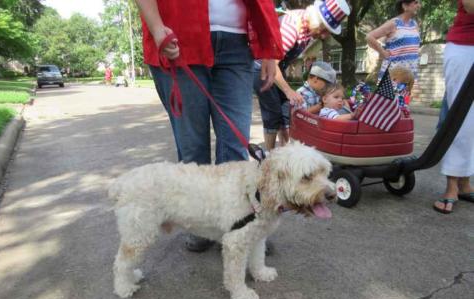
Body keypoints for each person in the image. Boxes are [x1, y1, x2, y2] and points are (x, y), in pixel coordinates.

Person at [135, 0, 283, 251]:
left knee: (236, 147)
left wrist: (269, 49)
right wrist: (157, 26)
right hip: (179, 37)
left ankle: (237, 225)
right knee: (193, 149)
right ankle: (199, 223)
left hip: (237, 44)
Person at [253, 0, 351, 151]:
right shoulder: (291, 27)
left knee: (286, 112)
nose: (324, 36)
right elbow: (272, 63)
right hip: (262, 67)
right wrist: (288, 90)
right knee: (272, 113)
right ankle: (270, 157)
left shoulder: (306, 31)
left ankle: (285, 153)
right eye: (324, 29)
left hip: (277, 68)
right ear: (317, 20)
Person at [433, 0, 474, 214]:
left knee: (472, 123)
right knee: (461, 119)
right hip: (466, 47)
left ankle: (465, 183)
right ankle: (451, 186)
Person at [366, 0, 421, 82]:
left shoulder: (414, 24)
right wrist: (383, 52)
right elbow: (369, 37)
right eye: (415, 2)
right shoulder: (394, 23)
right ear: (405, 6)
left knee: (409, 95)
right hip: (394, 75)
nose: (419, 5)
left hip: (411, 74)